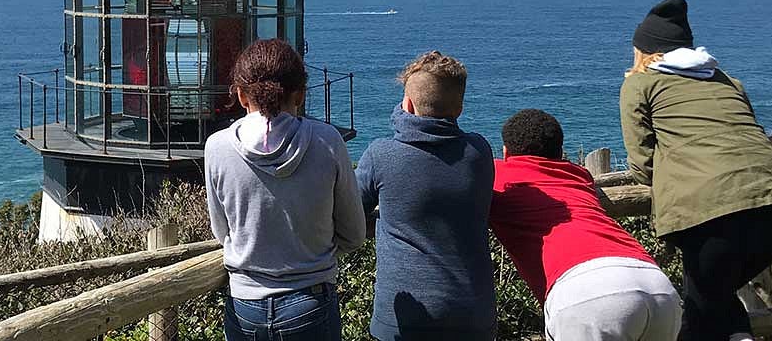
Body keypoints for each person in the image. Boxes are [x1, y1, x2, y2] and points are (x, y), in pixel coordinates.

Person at [619, 0, 772, 341]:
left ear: (644, 51)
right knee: (712, 301)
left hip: (709, 215)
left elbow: (641, 161)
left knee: (701, 308)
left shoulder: (639, 83)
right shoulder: (727, 80)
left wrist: (668, 176)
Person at [204, 39, 366, 341]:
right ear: (300, 93)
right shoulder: (328, 141)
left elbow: (221, 230)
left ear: (241, 95)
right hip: (311, 301)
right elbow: (354, 234)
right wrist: (314, 256)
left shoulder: (217, 146)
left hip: (245, 306)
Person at [490, 109, 682, 340]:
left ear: (505, 152)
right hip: (654, 282)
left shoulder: (495, 175)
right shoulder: (578, 175)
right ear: (560, 152)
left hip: (585, 291)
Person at [356, 50, 496, 340]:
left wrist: (402, 116)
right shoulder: (478, 152)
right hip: (472, 314)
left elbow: (349, 209)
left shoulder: (382, 154)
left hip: (405, 316)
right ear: (459, 109)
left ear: (406, 103)